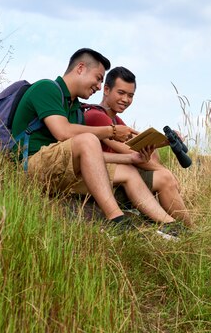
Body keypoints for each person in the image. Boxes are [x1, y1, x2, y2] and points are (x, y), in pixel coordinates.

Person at [11, 48, 183, 237]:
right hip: (31, 165)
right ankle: (117, 220)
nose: (99, 86)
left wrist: (131, 158)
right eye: (99, 78)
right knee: (88, 139)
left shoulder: (76, 109)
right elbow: (62, 131)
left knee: (128, 172)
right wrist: (111, 131)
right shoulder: (47, 88)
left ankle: (171, 225)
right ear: (80, 68)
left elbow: (91, 155)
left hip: (60, 170)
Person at [83, 66, 193, 227]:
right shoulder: (96, 116)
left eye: (130, 95)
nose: (126, 100)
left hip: (117, 179)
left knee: (165, 175)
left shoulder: (117, 121)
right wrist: (164, 169)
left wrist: (163, 141)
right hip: (102, 184)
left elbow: (146, 152)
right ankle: (189, 230)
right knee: (165, 178)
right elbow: (131, 153)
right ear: (106, 89)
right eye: (121, 93)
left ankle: (179, 228)